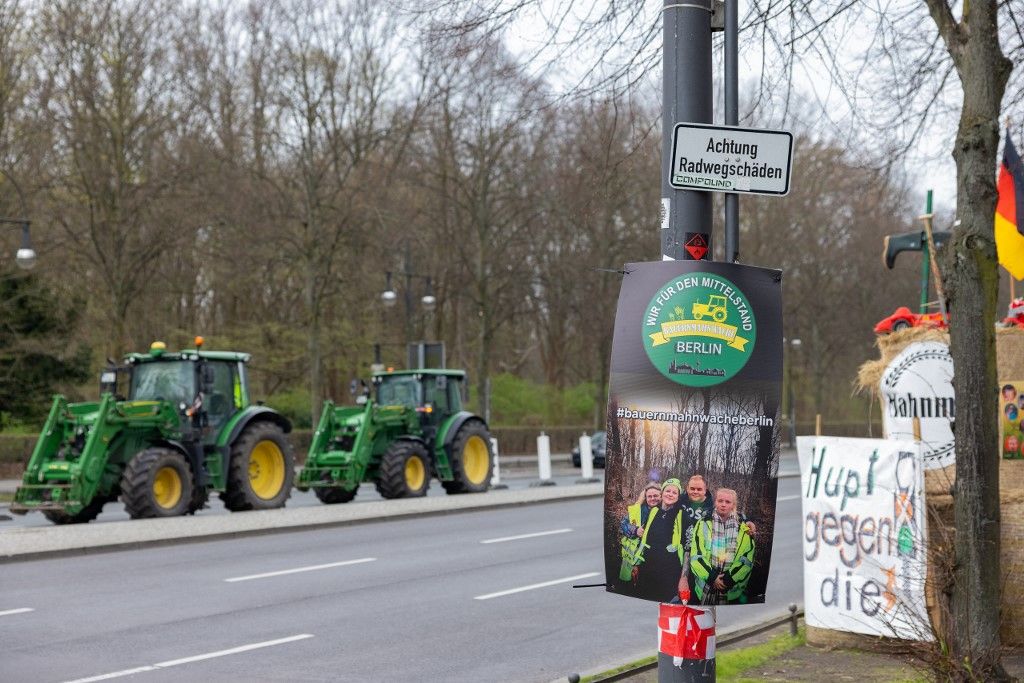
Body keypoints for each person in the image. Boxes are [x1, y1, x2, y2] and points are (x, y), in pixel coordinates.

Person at [690, 488, 755, 605]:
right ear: (715, 502)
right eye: (720, 501)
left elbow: (747, 558)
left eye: (728, 502)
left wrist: (729, 579)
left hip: (732, 591)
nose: (723, 505)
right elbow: (696, 554)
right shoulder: (703, 523)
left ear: (733, 505)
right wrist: (712, 577)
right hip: (705, 589)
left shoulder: (744, 527)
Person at [633, 479, 689, 602]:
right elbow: (644, 540)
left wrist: (684, 577)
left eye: (674, 492)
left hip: (669, 572)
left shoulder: (682, 515)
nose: (670, 494)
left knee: (667, 604)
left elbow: (687, 548)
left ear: (678, 496)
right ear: (662, 493)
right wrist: (636, 563)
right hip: (648, 568)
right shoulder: (654, 511)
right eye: (667, 490)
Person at [618, 482, 662, 582]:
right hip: (634, 557)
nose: (652, 498)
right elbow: (623, 524)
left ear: (661, 496)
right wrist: (635, 530)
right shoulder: (639, 510)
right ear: (645, 497)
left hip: (654, 559)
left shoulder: (665, 511)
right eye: (649, 496)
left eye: (655, 496)